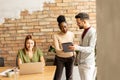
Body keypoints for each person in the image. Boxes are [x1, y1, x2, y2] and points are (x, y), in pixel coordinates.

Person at [69, 12, 97, 80]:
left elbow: (91, 49)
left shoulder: (92, 32)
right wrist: (75, 47)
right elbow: (83, 46)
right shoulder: (84, 31)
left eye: (78, 23)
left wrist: (77, 47)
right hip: (81, 63)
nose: (77, 24)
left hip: (88, 64)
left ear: (84, 21)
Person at [53, 15, 75, 80]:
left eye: (65, 27)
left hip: (70, 58)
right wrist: (64, 49)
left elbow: (73, 45)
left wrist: (74, 52)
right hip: (60, 59)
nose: (64, 29)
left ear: (67, 25)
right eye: (62, 27)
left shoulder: (71, 34)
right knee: (57, 78)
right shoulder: (56, 35)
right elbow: (57, 49)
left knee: (69, 78)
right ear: (59, 27)